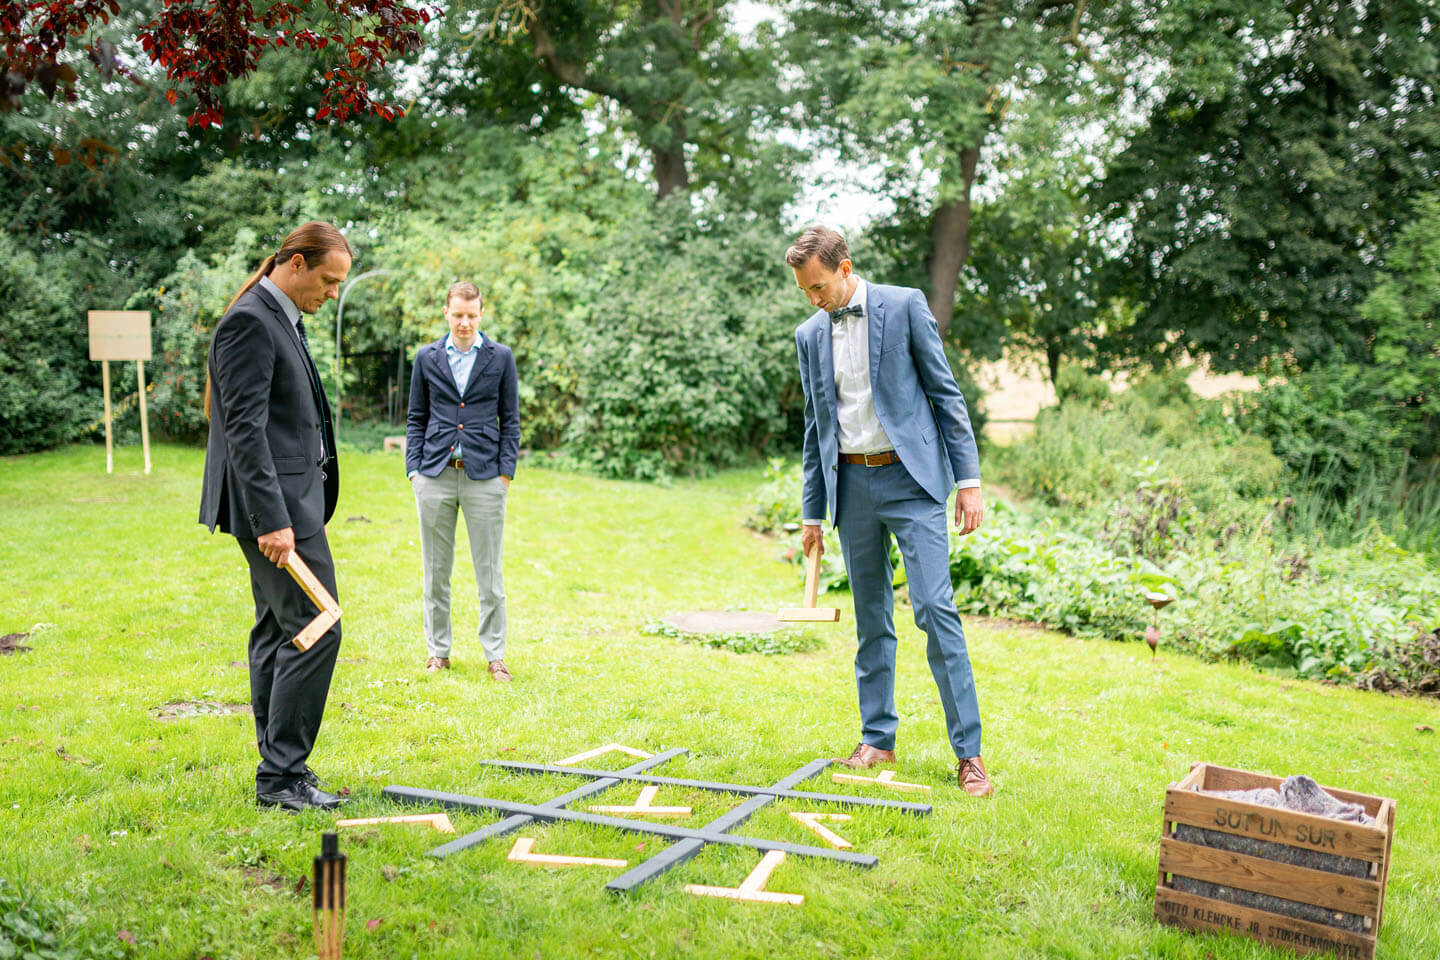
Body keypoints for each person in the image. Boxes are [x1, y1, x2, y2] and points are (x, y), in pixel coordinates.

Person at [787, 225, 993, 797]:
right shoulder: (809, 335)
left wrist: (969, 483)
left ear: (845, 267)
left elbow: (946, 395)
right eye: (804, 291)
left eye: (819, 286)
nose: (813, 299)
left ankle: (969, 755)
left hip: (912, 480)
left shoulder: (903, 306)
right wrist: (812, 512)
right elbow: (815, 426)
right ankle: (877, 739)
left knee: (934, 608)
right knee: (870, 616)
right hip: (852, 487)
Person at [199, 221, 352, 812]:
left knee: (277, 628)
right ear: (296, 263)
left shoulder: (280, 315)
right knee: (318, 624)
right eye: (328, 280)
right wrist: (271, 520)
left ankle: (280, 770)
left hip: (291, 505)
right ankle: (282, 777)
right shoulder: (251, 322)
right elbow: (243, 430)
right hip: (275, 513)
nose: (332, 293)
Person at [405, 281, 520, 679]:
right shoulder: (427, 357)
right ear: (446, 313)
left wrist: (505, 474)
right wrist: (414, 470)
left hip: (485, 477)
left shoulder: (500, 357)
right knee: (435, 572)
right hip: (434, 474)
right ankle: (438, 652)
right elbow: (416, 416)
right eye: (458, 315)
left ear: (481, 314)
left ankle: (495, 655)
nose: (465, 323)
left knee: (490, 575)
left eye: (472, 315)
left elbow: (511, 420)